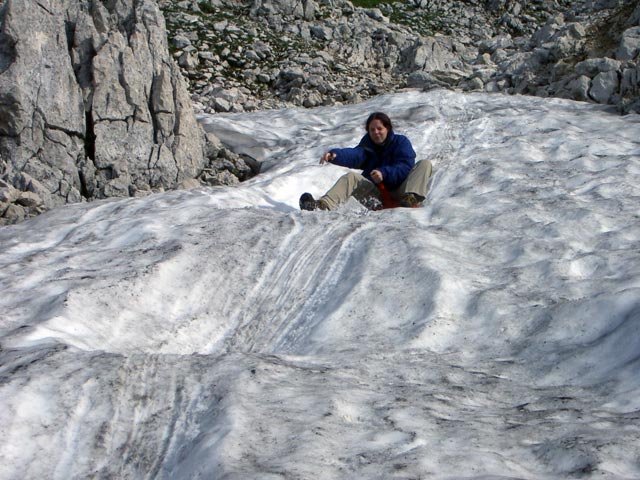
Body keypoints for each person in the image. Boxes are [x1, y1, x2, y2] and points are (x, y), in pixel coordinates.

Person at [299, 112, 432, 211]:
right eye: (372, 130)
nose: (376, 132)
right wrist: (335, 155)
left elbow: (405, 166)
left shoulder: (401, 142)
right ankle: (323, 206)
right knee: (351, 178)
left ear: (388, 128)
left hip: (402, 192)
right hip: (377, 197)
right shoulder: (368, 145)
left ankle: (411, 198)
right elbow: (355, 155)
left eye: (379, 129)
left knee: (425, 164)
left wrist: (383, 173)